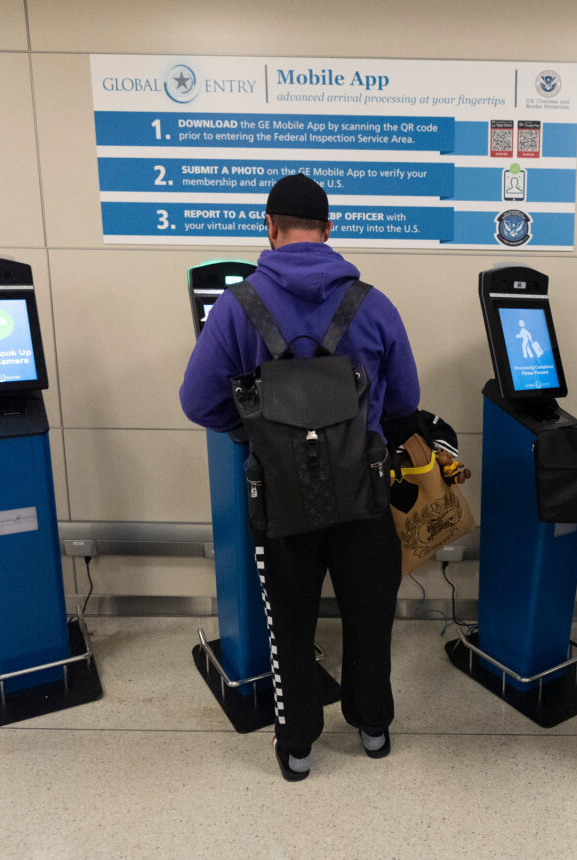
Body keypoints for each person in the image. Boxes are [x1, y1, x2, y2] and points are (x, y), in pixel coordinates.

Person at [179, 173, 420, 781]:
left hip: (280, 499)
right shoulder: (373, 302)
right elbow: (404, 406)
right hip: (363, 494)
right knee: (370, 616)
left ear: (270, 227)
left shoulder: (237, 308)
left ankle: (299, 748)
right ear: (329, 231)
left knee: (289, 624)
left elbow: (198, 402)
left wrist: (253, 430)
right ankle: (372, 730)